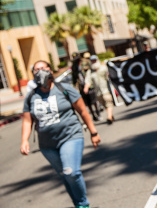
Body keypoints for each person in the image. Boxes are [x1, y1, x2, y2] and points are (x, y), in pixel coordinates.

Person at [21, 60, 101, 208]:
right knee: (65, 175)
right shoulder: (31, 96)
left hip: (70, 136)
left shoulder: (64, 89)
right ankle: (78, 204)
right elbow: (27, 121)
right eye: (36, 70)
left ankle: (83, 204)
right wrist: (24, 140)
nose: (39, 72)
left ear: (50, 71)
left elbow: (83, 111)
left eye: (42, 68)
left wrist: (93, 132)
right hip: (47, 145)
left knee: (71, 172)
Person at [84, 55, 115, 124]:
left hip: (106, 90)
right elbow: (88, 81)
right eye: (92, 60)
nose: (93, 62)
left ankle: (109, 117)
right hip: (98, 93)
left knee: (109, 103)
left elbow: (110, 75)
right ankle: (110, 115)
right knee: (104, 105)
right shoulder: (90, 72)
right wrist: (86, 88)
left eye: (95, 60)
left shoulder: (103, 68)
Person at [72, 52, 100, 121]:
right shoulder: (74, 66)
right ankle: (93, 114)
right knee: (87, 102)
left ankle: (97, 111)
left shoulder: (86, 62)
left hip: (89, 83)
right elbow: (74, 76)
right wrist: (74, 84)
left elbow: (92, 70)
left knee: (93, 99)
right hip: (81, 85)